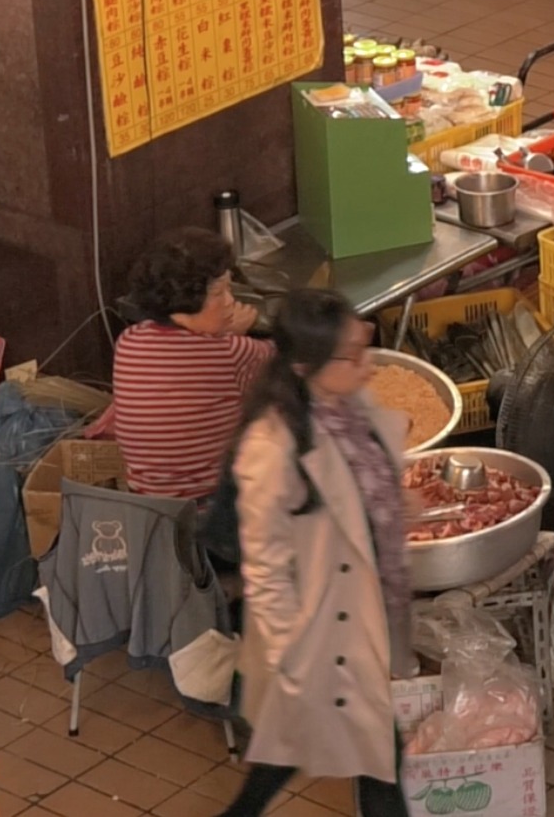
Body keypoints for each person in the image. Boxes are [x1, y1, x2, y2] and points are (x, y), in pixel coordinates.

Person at [220, 290, 411, 817]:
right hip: (319, 635)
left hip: (349, 623)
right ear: (305, 366)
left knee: (297, 751)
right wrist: (291, 660)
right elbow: (265, 569)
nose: (367, 365)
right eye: (351, 355)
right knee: (380, 760)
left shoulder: (346, 408)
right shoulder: (273, 445)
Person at [91, 228, 269, 501]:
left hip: (148, 502)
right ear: (188, 301)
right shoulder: (231, 352)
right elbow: (285, 362)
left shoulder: (129, 341)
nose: (231, 301)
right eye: (220, 293)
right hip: (213, 507)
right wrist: (237, 334)